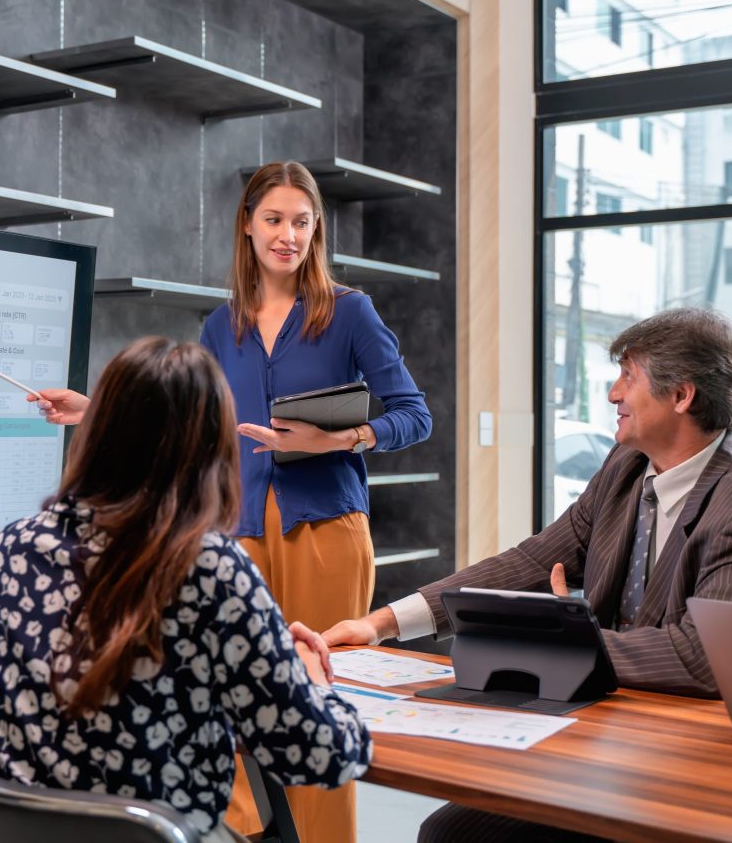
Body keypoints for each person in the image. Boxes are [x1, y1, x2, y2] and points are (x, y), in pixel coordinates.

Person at [29, 160, 432, 842]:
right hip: (235, 533)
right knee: (229, 702)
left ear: (316, 231)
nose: (288, 235)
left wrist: (344, 439)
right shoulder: (223, 326)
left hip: (327, 530)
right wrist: (93, 410)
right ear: (247, 226)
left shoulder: (349, 313)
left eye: (302, 222)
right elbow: (179, 415)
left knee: (313, 701)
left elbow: (413, 416)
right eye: (274, 220)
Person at [323, 306, 732, 843]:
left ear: (681, 396)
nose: (613, 394)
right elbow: (531, 562)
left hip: (688, 765)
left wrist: (565, 636)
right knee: (448, 832)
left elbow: (706, 657)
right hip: (605, 734)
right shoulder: (625, 469)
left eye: (628, 376)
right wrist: (384, 623)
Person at [0, 336, 373, 843]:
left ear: (97, 432)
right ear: (209, 449)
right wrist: (312, 679)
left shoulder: (15, 548)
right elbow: (321, 754)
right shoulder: (209, 567)